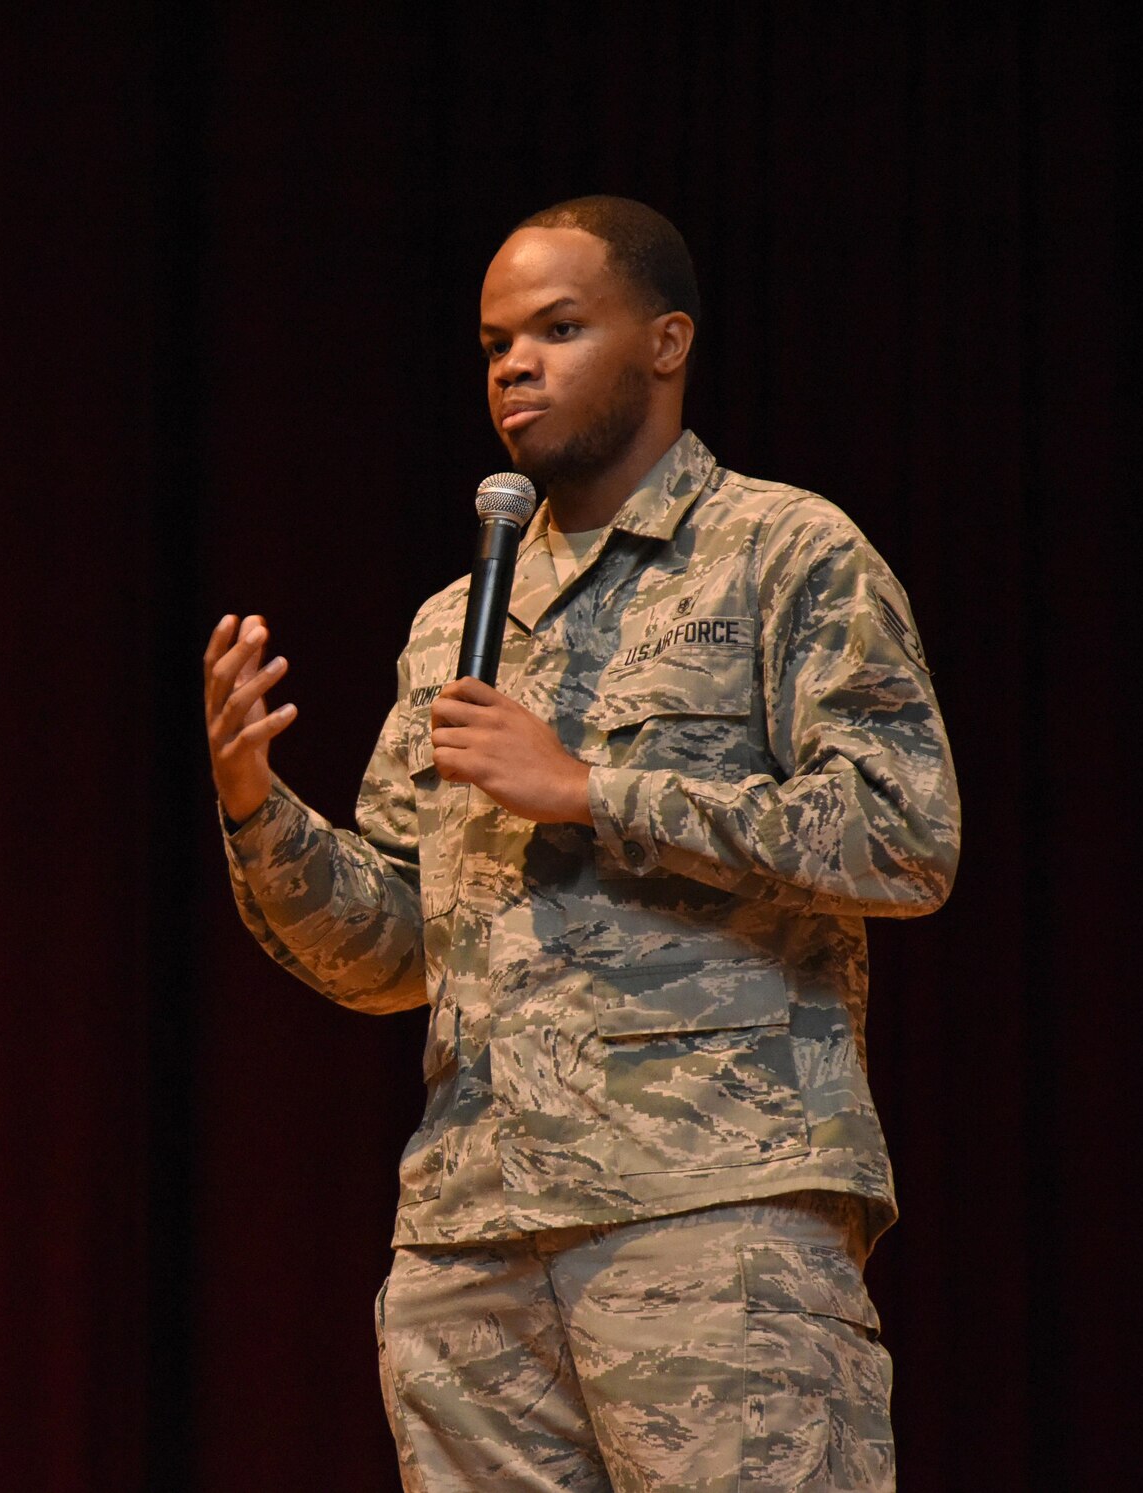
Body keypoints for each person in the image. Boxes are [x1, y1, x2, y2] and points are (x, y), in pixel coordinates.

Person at [202, 196, 959, 1493]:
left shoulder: (785, 555)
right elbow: (392, 945)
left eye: (558, 328)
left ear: (667, 342)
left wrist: (598, 788)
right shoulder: (458, 621)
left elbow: (904, 834)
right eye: (497, 340)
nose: (515, 365)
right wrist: (255, 806)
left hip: (711, 1215)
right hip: (473, 1246)